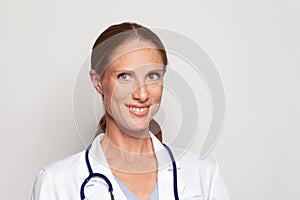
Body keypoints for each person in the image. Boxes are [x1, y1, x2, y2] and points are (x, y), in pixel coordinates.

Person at [31, 22, 230, 200]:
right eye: (125, 76)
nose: (142, 94)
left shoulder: (204, 174)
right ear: (98, 82)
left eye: (152, 76)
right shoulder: (56, 184)